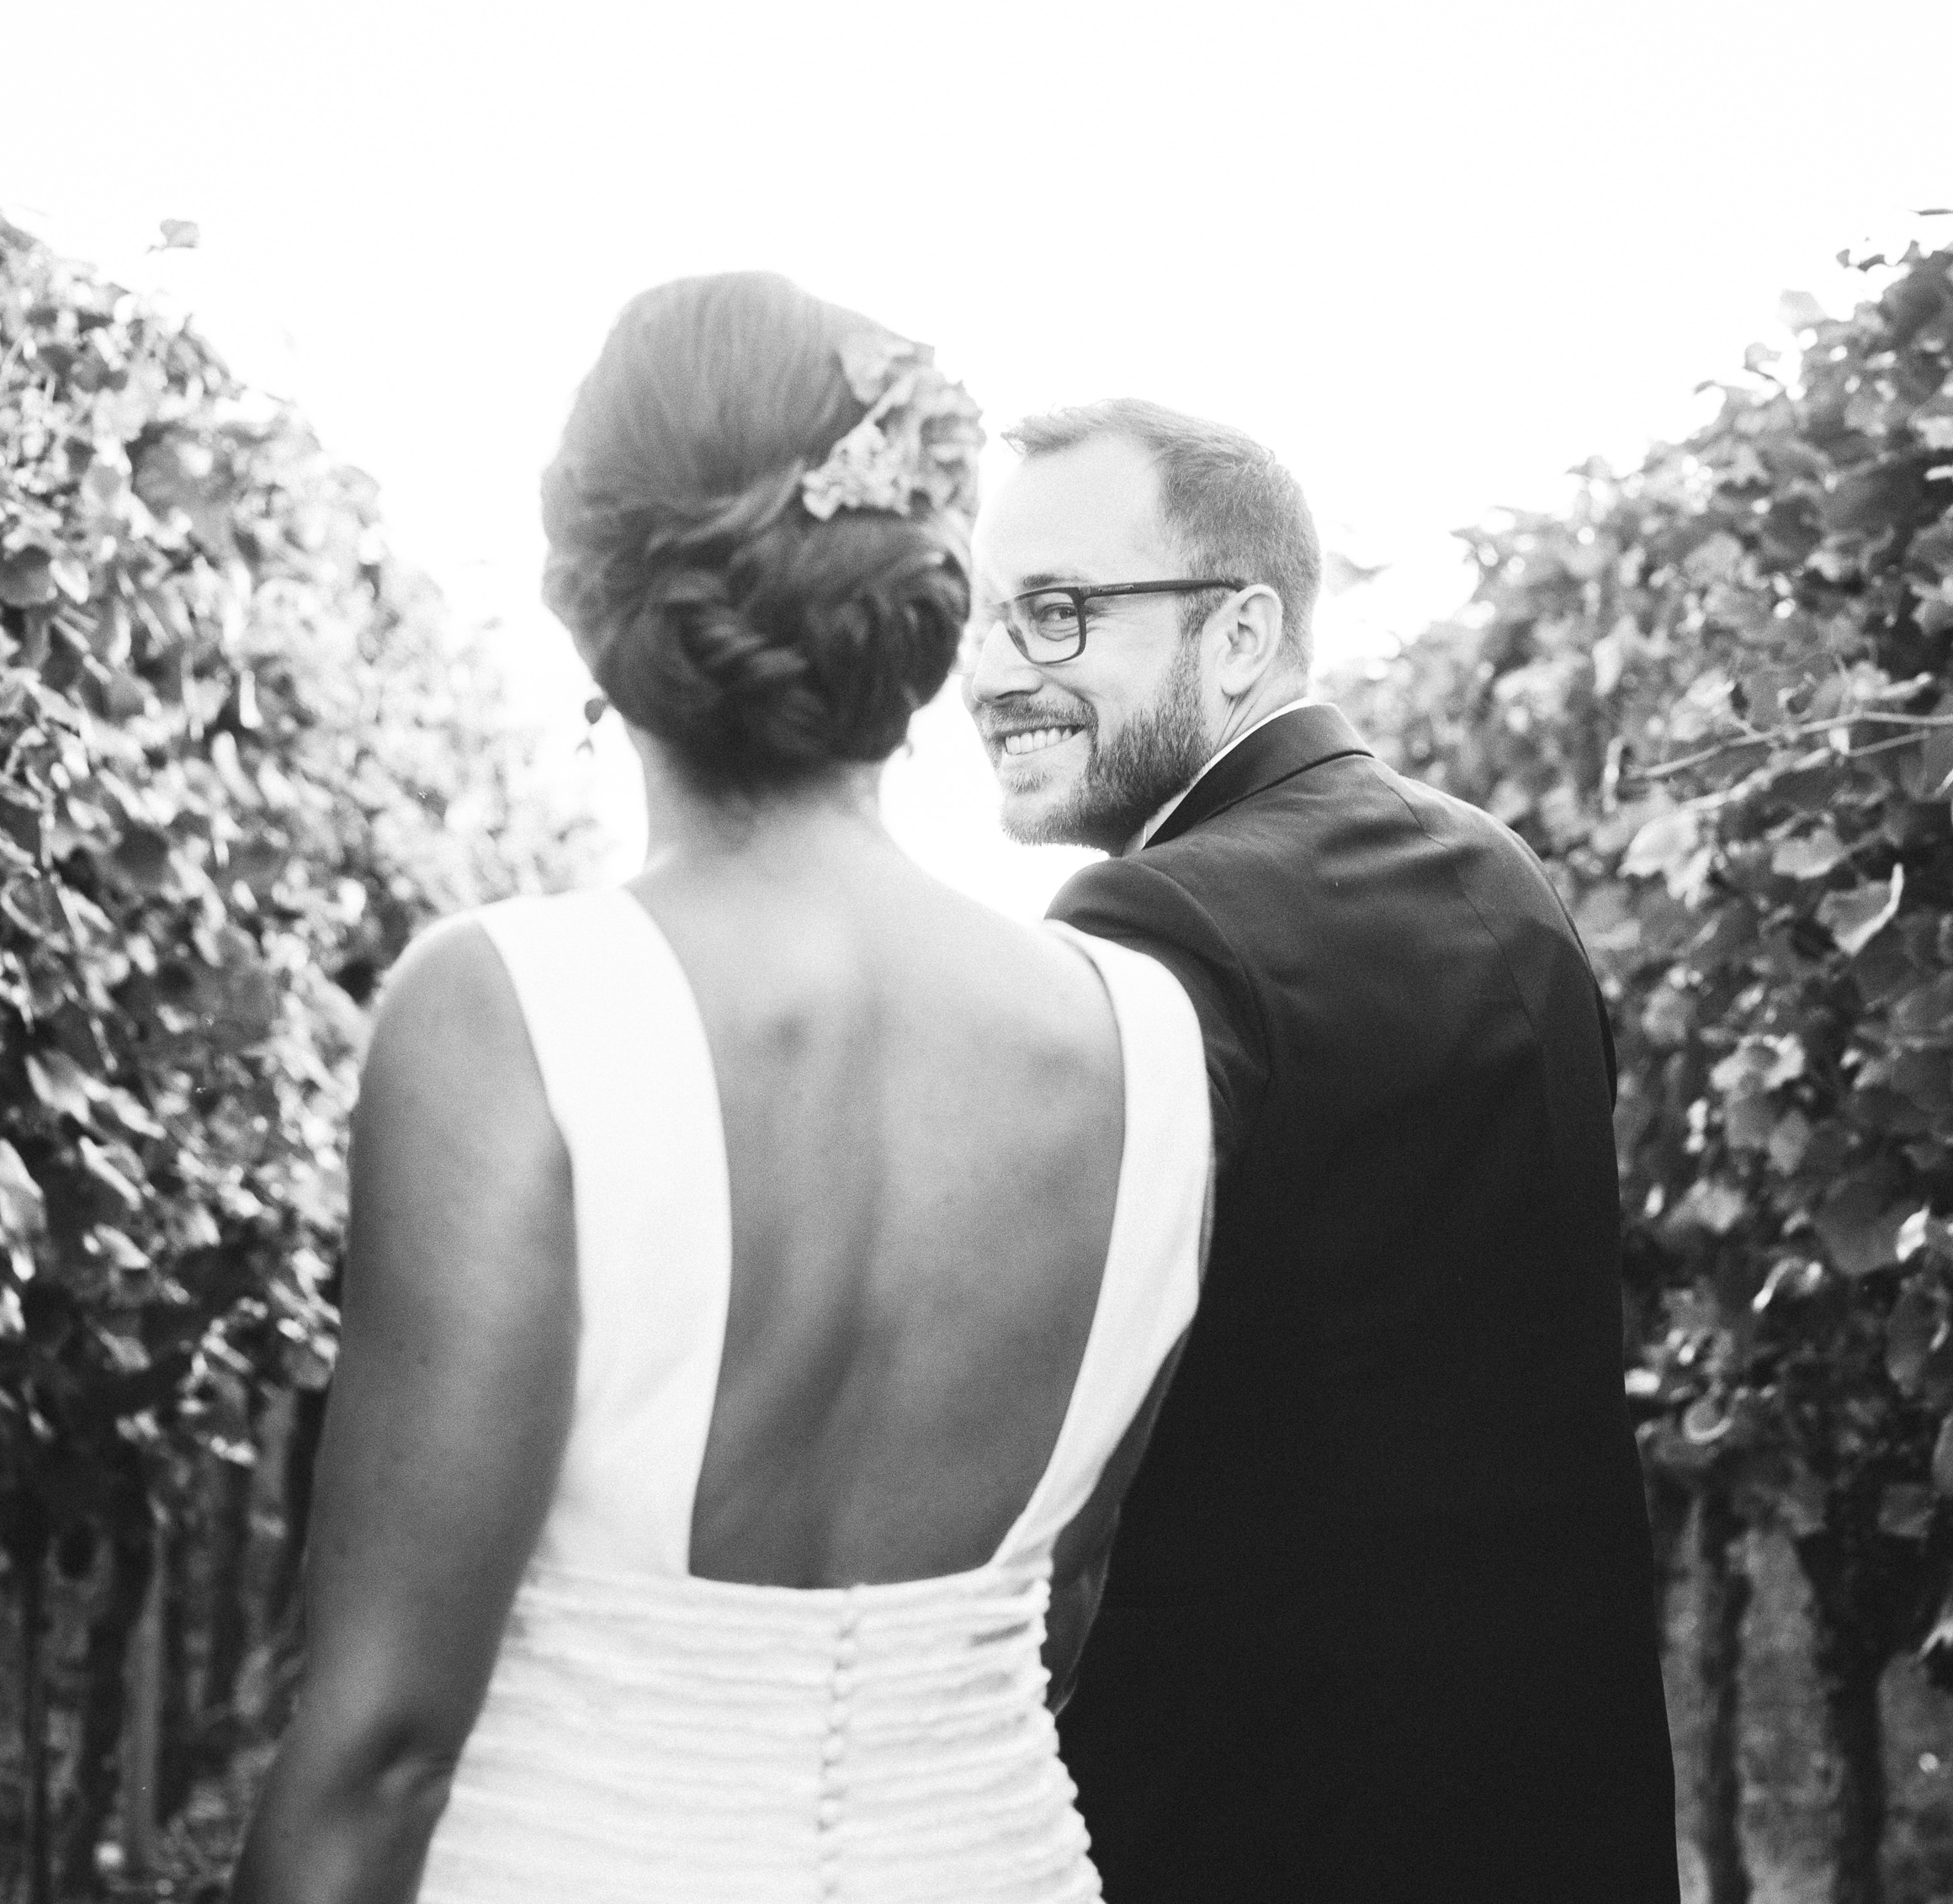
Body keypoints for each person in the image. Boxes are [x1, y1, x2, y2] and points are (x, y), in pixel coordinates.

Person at [235, 275, 1210, 1904]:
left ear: (587, 589)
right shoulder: (1149, 1044)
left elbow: (383, 1748)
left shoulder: (508, 1013)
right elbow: (1062, 1602)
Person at [966, 400, 1680, 1901]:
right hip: (1552, 1816)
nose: (992, 672)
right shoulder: (1505, 879)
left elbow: (1046, 1464)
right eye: (985, 617)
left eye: (1057, 611)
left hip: (1246, 1829)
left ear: (1238, 634)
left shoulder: (1148, 927)